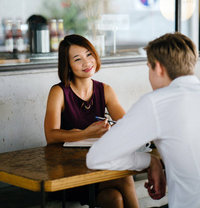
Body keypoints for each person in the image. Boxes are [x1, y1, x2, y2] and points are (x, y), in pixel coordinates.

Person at [87, 32, 200, 208]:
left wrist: (149, 161)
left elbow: (96, 158)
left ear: (159, 68)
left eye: (149, 67)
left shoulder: (157, 102)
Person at [44, 34, 139, 208]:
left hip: (98, 166)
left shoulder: (105, 90)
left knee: (114, 199)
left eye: (89, 55)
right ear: (68, 66)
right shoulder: (58, 92)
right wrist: (85, 134)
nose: (87, 63)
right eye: (77, 59)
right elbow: (50, 136)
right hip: (68, 172)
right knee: (124, 178)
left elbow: (127, 124)